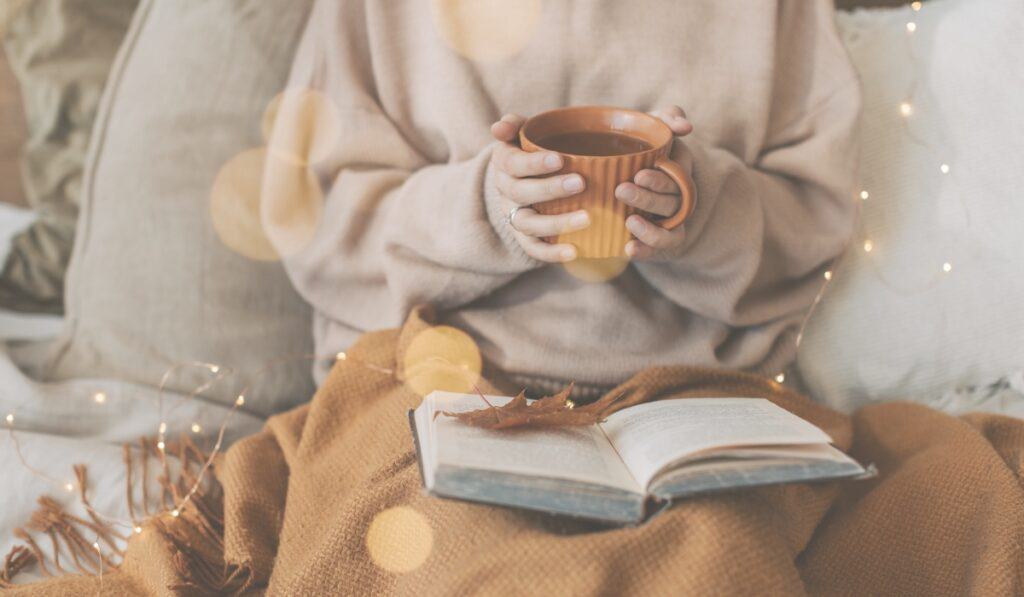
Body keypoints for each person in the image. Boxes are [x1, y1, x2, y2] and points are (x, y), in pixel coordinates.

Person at [270, 0, 861, 400]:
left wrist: (699, 208)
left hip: (694, 396)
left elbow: (815, 214)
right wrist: (488, 209)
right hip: (426, 384)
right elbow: (319, 221)